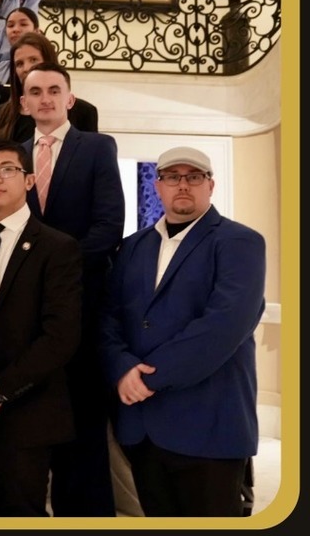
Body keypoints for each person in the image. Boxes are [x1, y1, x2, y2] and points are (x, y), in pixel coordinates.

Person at [101, 146, 265, 517]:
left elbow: (223, 326)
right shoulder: (131, 248)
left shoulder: (240, 242)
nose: (183, 185)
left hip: (209, 424)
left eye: (194, 177)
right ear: (158, 186)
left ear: (211, 185)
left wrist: (146, 379)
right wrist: (122, 368)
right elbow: (109, 316)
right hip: (143, 429)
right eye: (172, 177)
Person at [0, 138, 83, 516]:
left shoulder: (57, 247)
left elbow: (61, 337)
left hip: (27, 405)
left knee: (21, 512)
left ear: (28, 180)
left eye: (7, 169)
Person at [19, 63, 125, 517]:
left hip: (82, 301)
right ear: (23, 103)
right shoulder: (13, 156)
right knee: (33, 420)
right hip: (25, 313)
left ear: (69, 99)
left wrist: (54, 272)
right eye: (35, 91)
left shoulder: (97, 148)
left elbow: (109, 225)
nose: (44, 98)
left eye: (53, 90)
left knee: (82, 422)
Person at [0, 33, 100, 141]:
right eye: (19, 64)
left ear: (49, 62)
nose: (26, 68)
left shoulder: (83, 111)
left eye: (33, 60)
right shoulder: (2, 113)